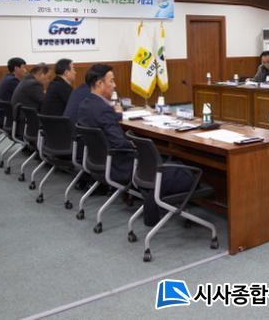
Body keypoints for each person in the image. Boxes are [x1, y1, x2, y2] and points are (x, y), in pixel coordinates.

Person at [77, 64, 195, 225]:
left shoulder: (85, 105)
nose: (114, 85)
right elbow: (120, 144)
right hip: (120, 166)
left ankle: (153, 198)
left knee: (164, 159)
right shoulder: (103, 109)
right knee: (181, 170)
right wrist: (137, 145)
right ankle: (158, 201)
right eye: (111, 81)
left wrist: (119, 119)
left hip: (99, 162)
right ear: (99, 83)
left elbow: (105, 124)